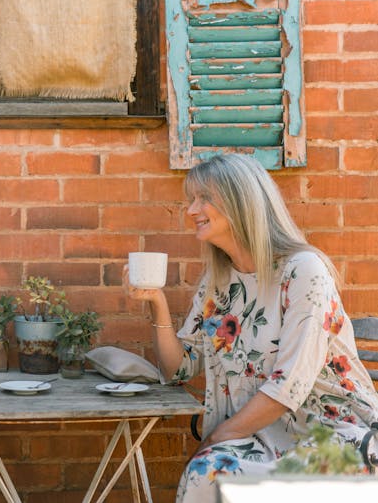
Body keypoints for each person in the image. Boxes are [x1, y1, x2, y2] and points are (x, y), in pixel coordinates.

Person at [123, 154, 378, 502]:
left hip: (334, 437)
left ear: (241, 202)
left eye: (203, 198)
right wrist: (156, 301)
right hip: (261, 437)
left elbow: (289, 386)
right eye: (190, 200)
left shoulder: (303, 272)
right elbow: (179, 368)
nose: (191, 210)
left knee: (209, 466)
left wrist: (215, 438)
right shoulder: (219, 281)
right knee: (207, 472)